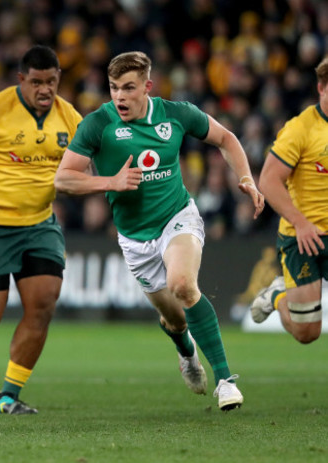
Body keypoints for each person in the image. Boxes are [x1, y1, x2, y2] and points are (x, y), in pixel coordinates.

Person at [53, 51, 264, 410]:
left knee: (183, 284)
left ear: (147, 87)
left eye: (129, 88)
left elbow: (226, 138)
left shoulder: (176, 113)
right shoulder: (97, 124)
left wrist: (245, 178)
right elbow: (64, 178)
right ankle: (186, 352)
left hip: (177, 217)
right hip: (135, 239)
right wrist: (111, 181)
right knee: (173, 319)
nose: (119, 96)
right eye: (114, 88)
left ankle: (226, 380)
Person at [0, 45, 82, 414]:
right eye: (36, 82)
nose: (44, 90)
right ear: (21, 80)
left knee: (42, 305)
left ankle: (8, 395)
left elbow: (86, 162)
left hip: (40, 224)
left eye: (51, 82)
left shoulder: (68, 117)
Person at [249, 57, 328, 343]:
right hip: (302, 236)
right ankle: (277, 295)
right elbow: (268, 181)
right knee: (307, 332)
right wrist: (301, 222)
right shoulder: (301, 128)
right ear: (321, 88)